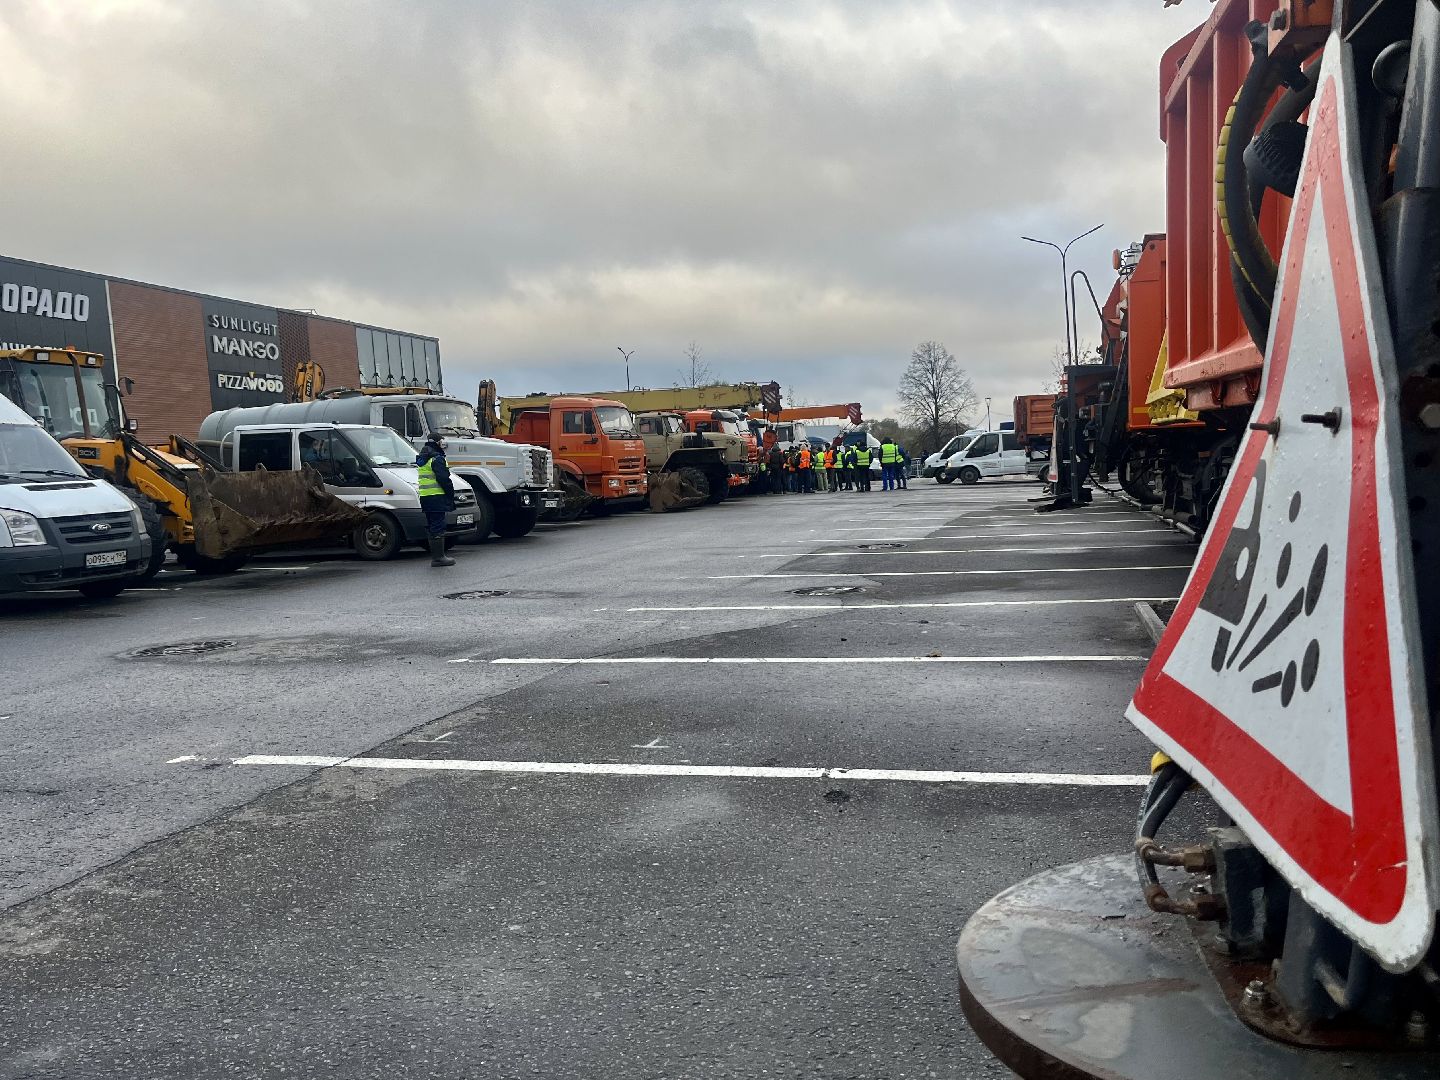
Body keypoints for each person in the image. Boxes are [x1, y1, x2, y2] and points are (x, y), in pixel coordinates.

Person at [416, 433, 457, 566]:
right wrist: (450, 494)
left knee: (432, 525)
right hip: (437, 496)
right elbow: (444, 479)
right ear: (437, 443)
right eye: (441, 442)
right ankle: (439, 558)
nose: (443, 445)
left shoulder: (423, 457)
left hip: (425, 496)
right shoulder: (437, 459)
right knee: (438, 526)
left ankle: (437, 556)